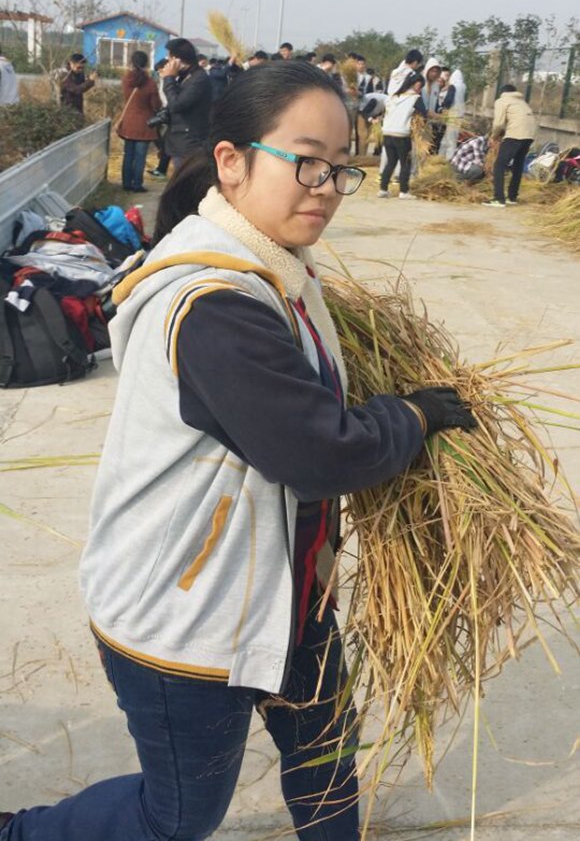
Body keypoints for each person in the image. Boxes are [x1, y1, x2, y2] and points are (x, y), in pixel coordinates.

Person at [0, 62, 476, 841]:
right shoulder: (215, 302)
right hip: (187, 618)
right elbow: (321, 451)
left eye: (341, 167)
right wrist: (411, 417)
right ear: (232, 160)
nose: (325, 185)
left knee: (325, 758)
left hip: (283, 589)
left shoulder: (277, 271)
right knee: (178, 814)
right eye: (306, 160)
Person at [159, 37, 212, 173]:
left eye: (170, 58)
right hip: (180, 140)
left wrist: (169, 79)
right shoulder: (185, 77)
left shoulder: (199, 79)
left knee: (187, 184)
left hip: (190, 142)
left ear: (178, 59)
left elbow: (177, 104)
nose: (168, 62)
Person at [484, 83, 536, 207]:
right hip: (529, 136)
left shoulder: (502, 100)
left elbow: (498, 124)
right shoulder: (522, 102)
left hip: (515, 135)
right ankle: (512, 197)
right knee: (518, 165)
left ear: (502, 92)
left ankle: (498, 198)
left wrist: (494, 136)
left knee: (499, 165)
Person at [117, 50, 161, 192]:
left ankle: (126, 183)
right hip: (144, 125)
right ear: (147, 63)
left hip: (128, 123)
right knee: (140, 157)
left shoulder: (126, 79)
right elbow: (156, 105)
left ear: (131, 62)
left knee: (128, 155)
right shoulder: (150, 83)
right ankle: (137, 185)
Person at [379, 71, 427, 199]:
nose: (420, 89)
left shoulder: (393, 97)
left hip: (387, 133)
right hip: (401, 134)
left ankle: (383, 189)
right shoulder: (415, 98)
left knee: (391, 162)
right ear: (414, 83)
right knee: (406, 163)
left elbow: (385, 113)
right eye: (420, 85)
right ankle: (404, 191)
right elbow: (424, 114)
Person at [148, 58, 170, 178]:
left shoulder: (172, 80)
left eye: (160, 71)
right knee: (161, 140)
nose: (159, 74)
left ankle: (161, 169)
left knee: (166, 142)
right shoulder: (162, 80)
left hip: (170, 112)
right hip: (163, 111)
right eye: (158, 72)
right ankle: (161, 168)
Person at [440, 69, 467, 160]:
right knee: (449, 139)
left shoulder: (453, 86)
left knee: (450, 141)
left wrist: (442, 107)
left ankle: (446, 160)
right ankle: (442, 158)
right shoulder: (463, 86)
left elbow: (448, 100)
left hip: (452, 115)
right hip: (459, 116)